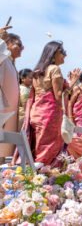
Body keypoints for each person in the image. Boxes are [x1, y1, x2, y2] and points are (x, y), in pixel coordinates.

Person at [23, 41, 80, 166]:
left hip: (37, 112)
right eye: (62, 52)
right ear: (54, 54)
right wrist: (72, 83)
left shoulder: (38, 70)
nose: (65, 55)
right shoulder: (55, 69)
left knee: (38, 145)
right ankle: (47, 175)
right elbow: (58, 95)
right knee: (49, 148)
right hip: (50, 114)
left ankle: (37, 173)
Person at [0, 28, 24, 164]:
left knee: (5, 149)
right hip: (3, 109)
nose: (22, 48)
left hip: (10, 112)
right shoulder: (3, 58)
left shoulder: (10, 62)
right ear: (8, 44)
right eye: (19, 45)